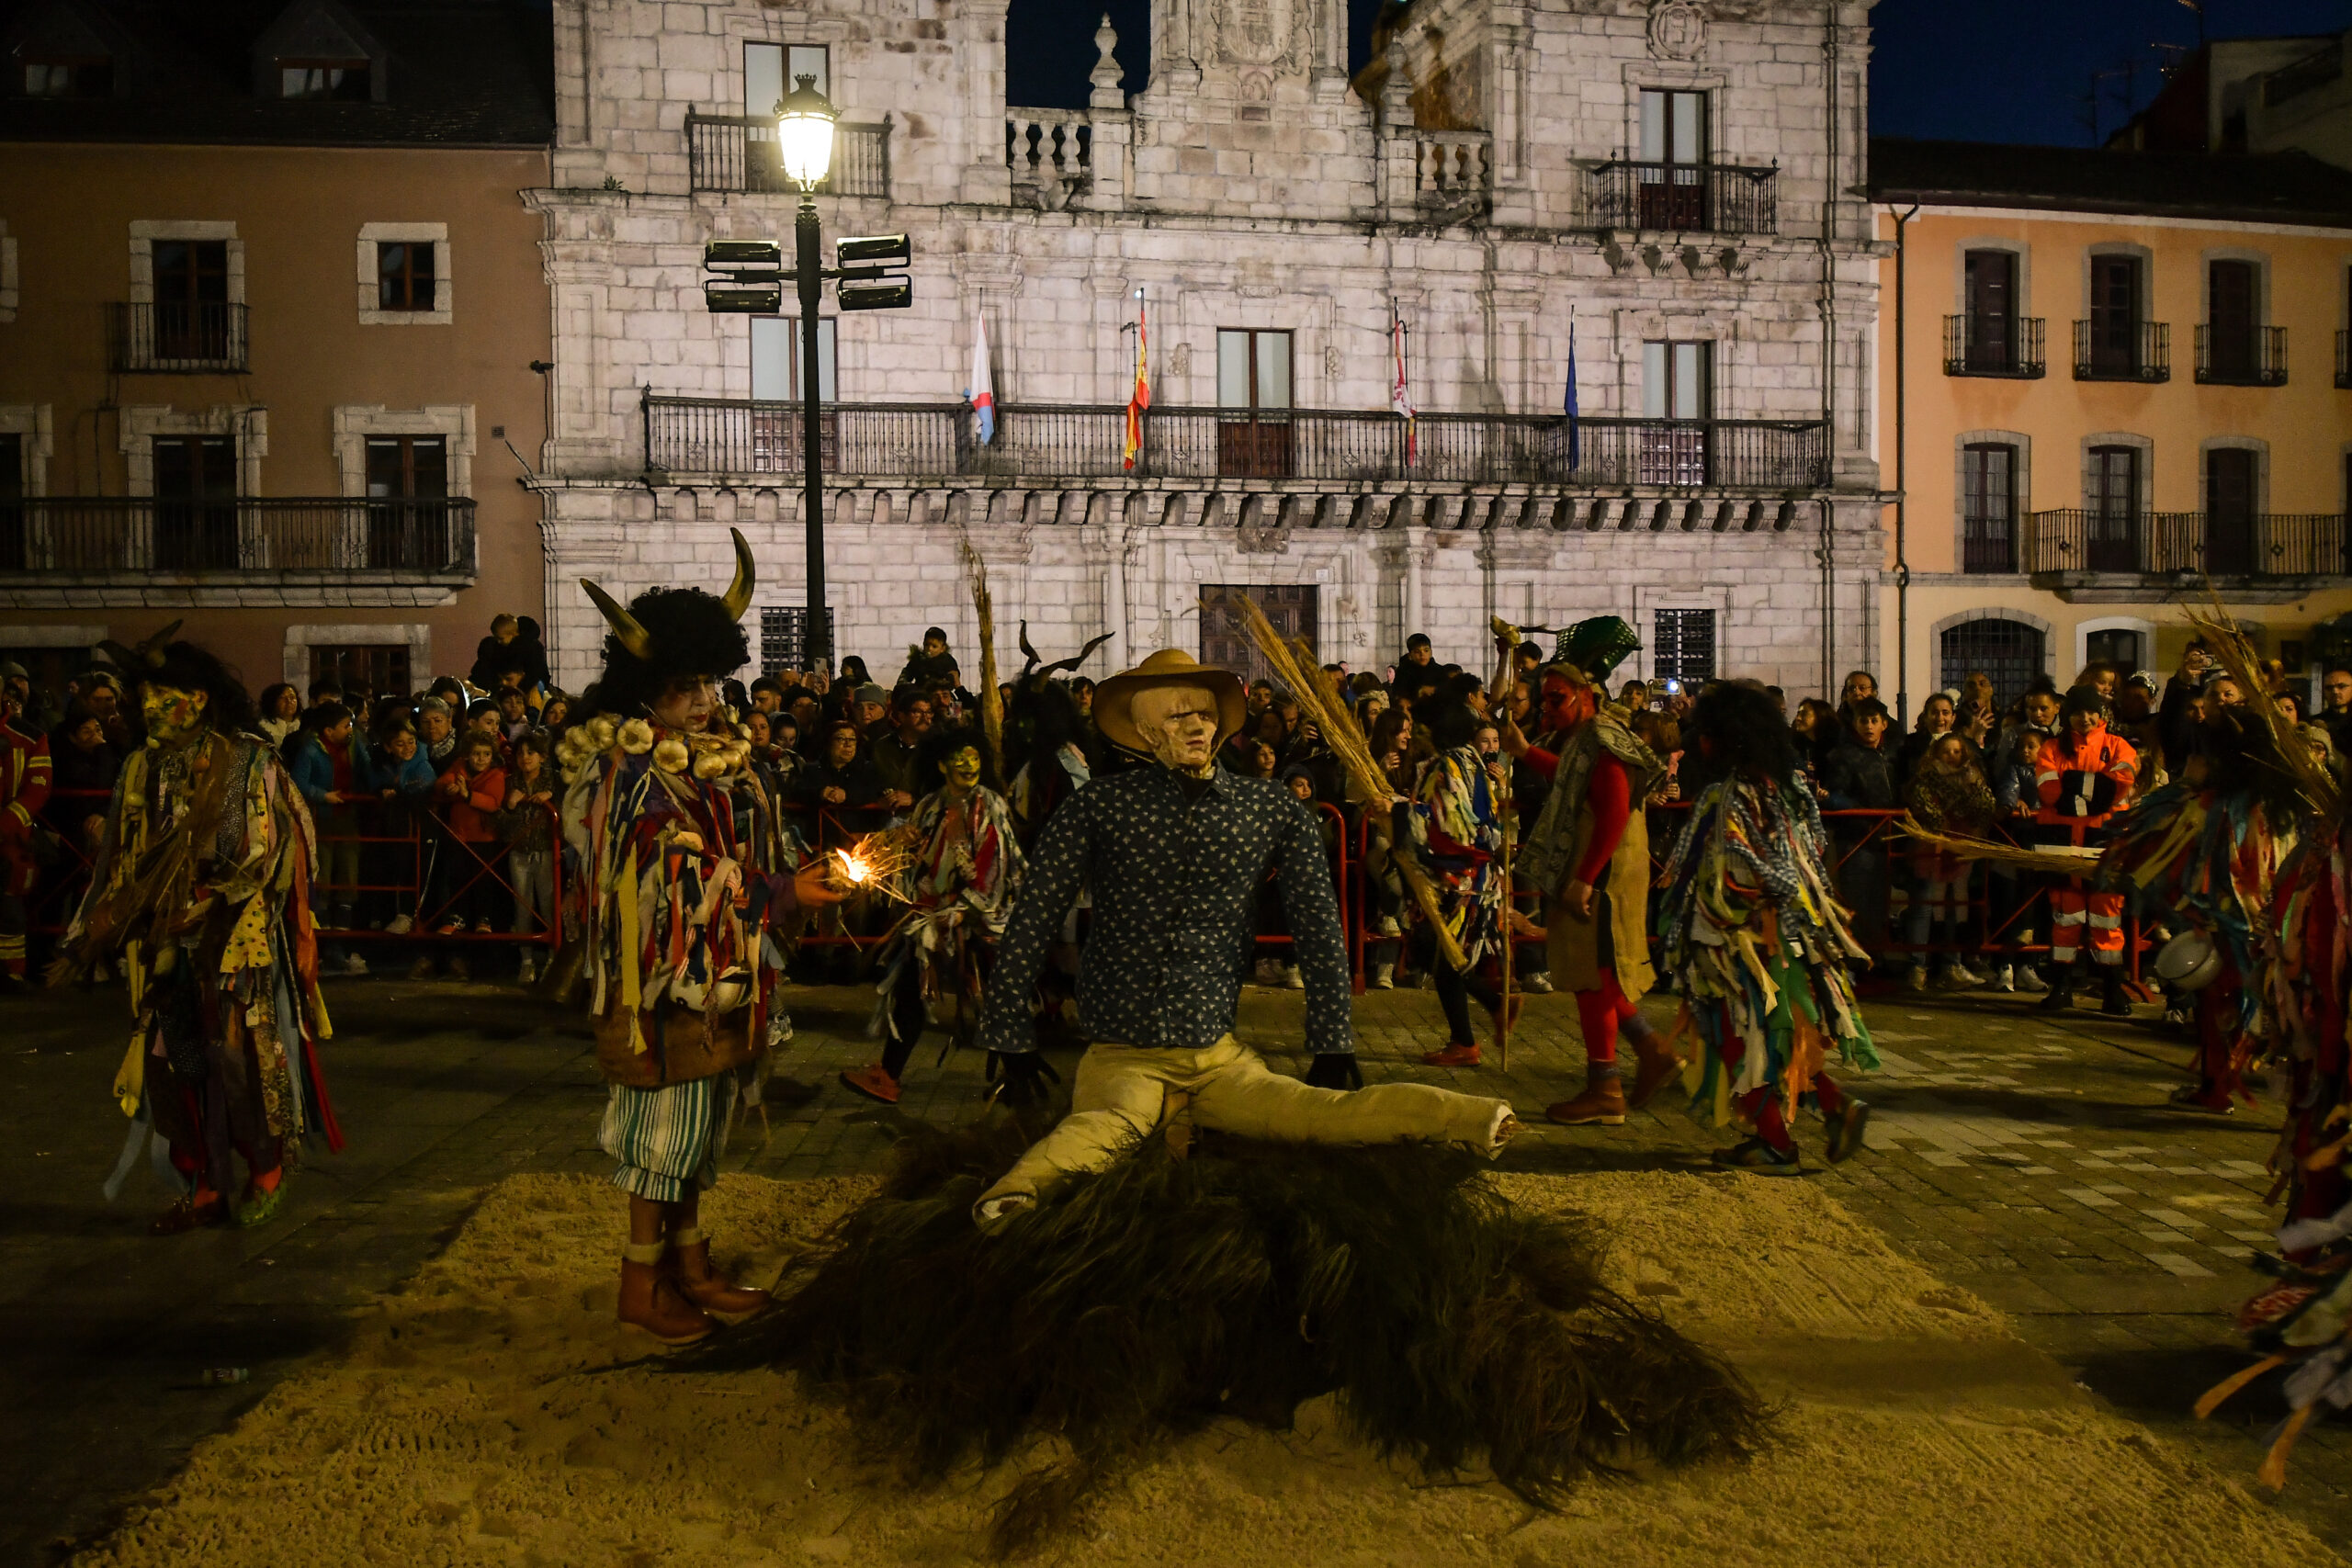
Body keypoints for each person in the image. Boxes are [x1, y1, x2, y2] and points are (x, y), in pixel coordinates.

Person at [969, 647, 1517, 1227]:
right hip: (1121, 1052)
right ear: (1146, 731)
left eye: (1204, 714)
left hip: (1217, 1056)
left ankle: (1471, 1118)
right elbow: (1031, 916)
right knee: (1104, 1128)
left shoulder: (1271, 808)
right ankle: (1015, 1194)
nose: (1197, 727)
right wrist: (1009, 1031)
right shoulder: (1098, 807)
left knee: (1319, 1113)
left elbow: (1317, 923)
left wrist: (1332, 1039)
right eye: (1178, 717)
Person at [563, 529, 842, 1344]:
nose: (706, 702)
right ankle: (640, 1283)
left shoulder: (713, 760)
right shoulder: (622, 774)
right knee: (661, 1136)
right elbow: (665, 873)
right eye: (685, 687)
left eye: (710, 684)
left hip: (722, 977)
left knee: (698, 1129)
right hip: (657, 987)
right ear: (643, 691)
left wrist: (798, 878)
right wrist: (781, 890)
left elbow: (743, 854)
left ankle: (688, 1265)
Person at [55, 625, 340, 1231]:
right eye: (147, 698)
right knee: (171, 1061)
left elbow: (269, 850)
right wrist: (97, 922)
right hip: (165, 939)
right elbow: (121, 859)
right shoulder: (141, 767)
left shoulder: (247, 762)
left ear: (201, 698)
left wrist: (214, 898)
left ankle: (265, 1166)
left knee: (234, 1055)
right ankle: (205, 1181)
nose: (152, 708)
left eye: (165, 696)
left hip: (236, 934)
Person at [1657, 682, 1876, 1174]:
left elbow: (1739, 867)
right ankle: (1837, 1106)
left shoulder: (1729, 797)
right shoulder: (1792, 785)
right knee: (1785, 1035)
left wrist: (1719, 920)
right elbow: (1814, 848)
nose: (1701, 743)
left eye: (1707, 734)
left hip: (1742, 944)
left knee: (1736, 1037)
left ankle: (1777, 1144)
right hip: (1794, 935)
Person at [1505, 616, 1679, 1126]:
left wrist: (1585, 877)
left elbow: (1615, 808)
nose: (1547, 708)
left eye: (1556, 699)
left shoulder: (1603, 738)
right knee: (1593, 977)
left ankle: (1611, 1085)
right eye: (1544, 701)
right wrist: (1524, 752)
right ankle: (1644, 1057)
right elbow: (1571, 776)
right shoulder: (1585, 740)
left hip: (1601, 875)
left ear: (1587, 696)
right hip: (1595, 871)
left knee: (1598, 977)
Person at [840, 728, 1024, 1106]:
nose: (969, 765)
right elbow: (920, 857)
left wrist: (966, 907)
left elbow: (997, 866)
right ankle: (888, 1076)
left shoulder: (989, 806)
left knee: (991, 996)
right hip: (931, 918)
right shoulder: (930, 804)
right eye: (960, 758)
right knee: (910, 991)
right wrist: (898, 848)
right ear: (941, 765)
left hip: (978, 920)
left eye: (974, 758)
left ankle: (1020, 1078)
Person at [1404, 682, 1517, 1067]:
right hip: (1475, 873)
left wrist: (1398, 813)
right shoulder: (1472, 762)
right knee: (1440, 952)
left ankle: (1472, 1031)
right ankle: (1482, 1018)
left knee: (1441, 952)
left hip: (1461, 878)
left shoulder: (1450, 765)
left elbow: (1450, 826)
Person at [2033, 687, 2139, 1015]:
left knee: (2107, 920)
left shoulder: (2118, 746)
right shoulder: (2051, 747)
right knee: (2065, 919)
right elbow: (2050, 792)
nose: (2085, 717)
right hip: (2064, 843)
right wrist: (2091, 790)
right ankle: (2062, 987)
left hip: (2102, 844)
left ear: (2102, 714)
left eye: (2091, 711)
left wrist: (2076, 789)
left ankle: (2113, 990)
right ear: (2068, 716)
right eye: (2079, 712)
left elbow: (2118, 785)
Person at [287, 702, 373, 976]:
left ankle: (340, 945)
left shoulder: (353, 743)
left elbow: (367, 769)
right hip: (320, 820)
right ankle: (322, 947)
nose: (351, 728)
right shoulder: (310, 749)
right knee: (321, 876)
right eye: (345, 725)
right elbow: (297, 782)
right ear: (328, 730)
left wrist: (383, 786)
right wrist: (323, 795)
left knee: (348, 875)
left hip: (348, 817)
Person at [1904, 731, 1995, 989]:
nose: (1952, 756)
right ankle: (1917, 966)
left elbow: (1985, 805)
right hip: (1931, 846)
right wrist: (1943, 821)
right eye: (1947, 751)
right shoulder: (1925, 778)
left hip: (1961, 846)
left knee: (1957, 903)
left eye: (1957, 751)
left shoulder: (1972, 777)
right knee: (1925, 904)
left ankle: (1952, 963)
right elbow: (1925, 807)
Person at [1820, 696, 1896, 957]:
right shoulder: (1843, 756)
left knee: (1881, 900)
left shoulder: (1894, 754)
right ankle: (1857, 957)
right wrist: (1863, 812)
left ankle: (1878, 953)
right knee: (1857, 899)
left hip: (1890, 835)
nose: (1868, 726)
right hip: (1858, 836)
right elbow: (1834, 794)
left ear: (1884, 724)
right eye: (1863, 720)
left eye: (1874, 720)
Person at [432, 731, 509, 966]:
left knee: (483, 879)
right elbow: (442, 781)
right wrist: (449, 789)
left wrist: (467, 795)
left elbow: (493, 802)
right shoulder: (459, 768)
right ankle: (458, 917)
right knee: (458, 878)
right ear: (467, 755)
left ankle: (483, 918)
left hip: (484, 837)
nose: (481, 759)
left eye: (486, 754)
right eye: (476, 754)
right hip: (459, 835)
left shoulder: (496, 775)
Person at [0, 687, 51, 989]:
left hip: (11, 838)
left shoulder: (30, 736)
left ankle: (11, 972)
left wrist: (8, 822)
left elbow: (38, 787)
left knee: (9, 901)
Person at [500, 729, 560, 985]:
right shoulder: (511, 782)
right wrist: (511, 806)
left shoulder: (555, 781)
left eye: (531, 753)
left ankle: (552, 958)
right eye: (521, 753)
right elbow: (501, 823)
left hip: (547, 850)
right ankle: (526, 961)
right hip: (519, 850)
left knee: (548, 903)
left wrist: (552, 797)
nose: (525, 758)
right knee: (522, 904)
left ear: (543, 757)